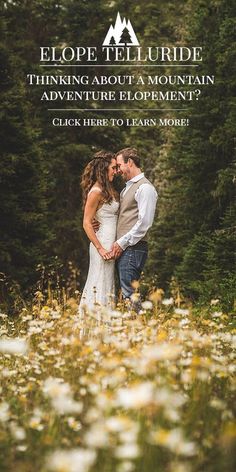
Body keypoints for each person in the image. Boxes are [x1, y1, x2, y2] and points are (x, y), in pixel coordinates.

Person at [111, 147, 158, 310]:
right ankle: (132, 329)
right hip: (126, 249)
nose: (117, 171)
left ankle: (137, 328)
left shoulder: (145, 188)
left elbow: (144, 223)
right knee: (126, 294)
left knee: (129, 294)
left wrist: (121, 243)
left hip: (133, 248)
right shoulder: (126, 189)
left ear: (129, 162)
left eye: (119, 165)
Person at [78, 151, 119, 313]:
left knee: (107, 282)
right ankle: (94, 325)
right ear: (103, 168)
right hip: (101, 245)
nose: (116, 171)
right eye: (113, 168)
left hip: (110, 243)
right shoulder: (96, 192)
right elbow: (87, 223)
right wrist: (100, 248)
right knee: (99, 282)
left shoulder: (107, 189)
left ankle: (105, 326)